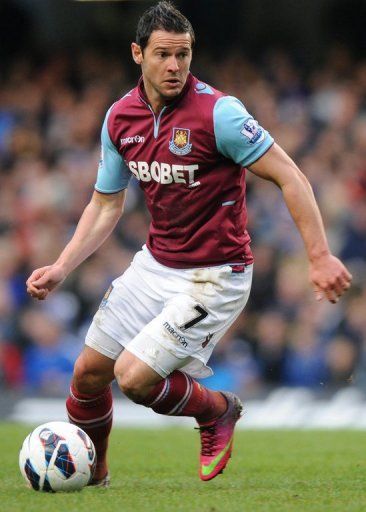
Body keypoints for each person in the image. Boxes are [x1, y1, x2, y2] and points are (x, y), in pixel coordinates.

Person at [26, 1, 352, 484]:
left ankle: (216, 410)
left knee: (134, 378)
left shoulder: (219, 113)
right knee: (87, 375)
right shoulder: (120, 119)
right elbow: (105, 204)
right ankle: (94, 478)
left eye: (183, 54)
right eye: (162, 54)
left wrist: (319, 255)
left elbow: (291, 176)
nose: (175, 66)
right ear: (138, 54)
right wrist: (62, 265)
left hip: (215, 276)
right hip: (156, 263)